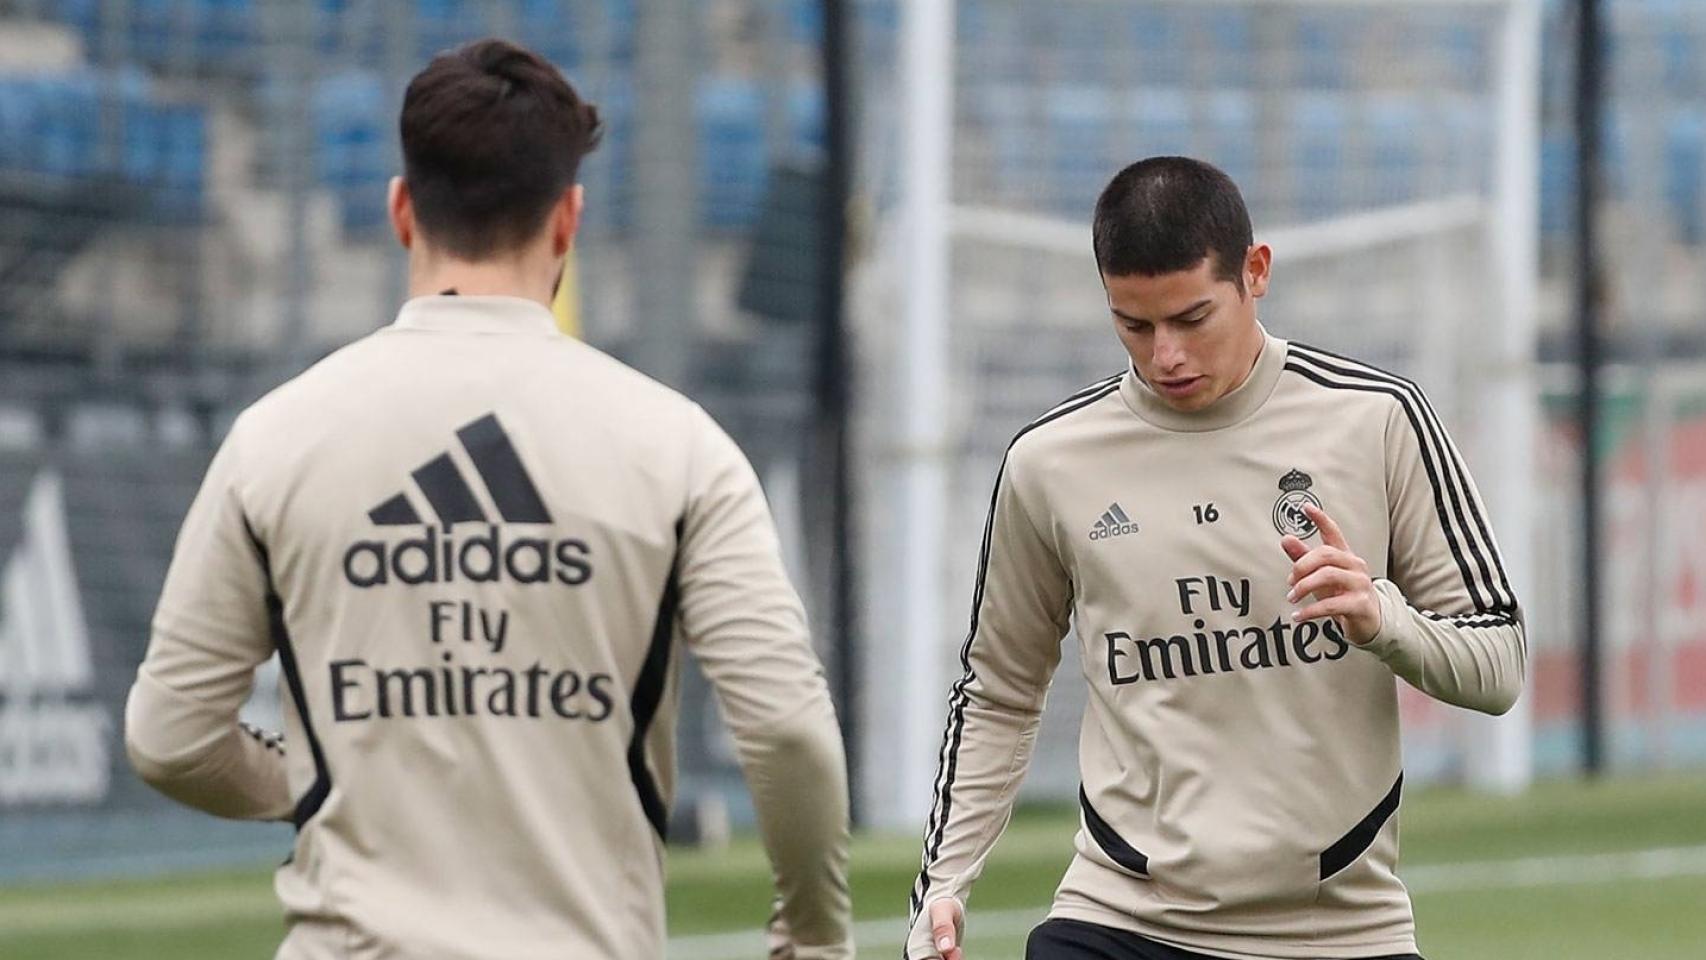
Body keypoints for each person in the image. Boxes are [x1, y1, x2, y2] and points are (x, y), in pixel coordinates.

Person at [124, 39, 851, 960]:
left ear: (399, 210)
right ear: (568, 221)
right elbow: (789, 733)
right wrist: (818, 937)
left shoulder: (276, 438)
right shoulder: (678, 446)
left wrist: (320, 779)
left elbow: (171, 737)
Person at [905, 156, 1525, 960]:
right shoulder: (1049, 462)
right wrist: (944, 887)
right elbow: (998, 692)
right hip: (1120, 918)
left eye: (1192, 318)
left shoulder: (1377, 421)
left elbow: (1500, 663)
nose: (1165, 355)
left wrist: (1383, 619)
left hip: (1338, 932)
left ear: (1255, 273)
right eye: (1134, 324)